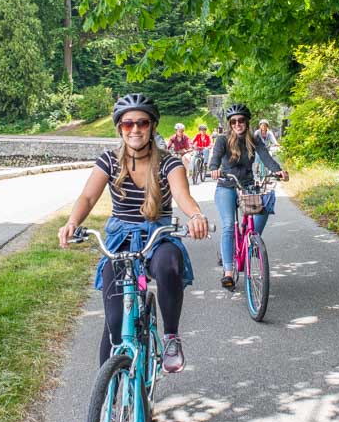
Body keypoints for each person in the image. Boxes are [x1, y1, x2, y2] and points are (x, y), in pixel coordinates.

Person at [58, 93, 210, 373]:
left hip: (158, 234)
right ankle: (108, 396)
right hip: (120, 238)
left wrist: (196, 216)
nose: (135, 129)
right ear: (120, 128)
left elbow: (182, 195)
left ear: (152, 126)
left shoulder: (169, 163)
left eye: (142, 122)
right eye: (128, 124)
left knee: (168, 265)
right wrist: (72, 222)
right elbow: (88, 198)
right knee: (114, 324)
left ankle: (171, 337)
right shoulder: (109, 161)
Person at [209, 103, 288, 290]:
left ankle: (252, 241)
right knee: (229, 225)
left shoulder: (253, 139)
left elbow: (266, 157)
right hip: (226, 186)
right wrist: (214, 169)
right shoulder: (222, 140)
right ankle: (228, 272)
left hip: (247, 186)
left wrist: (278, 171)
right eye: (234, 121)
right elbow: (215, 158)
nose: (238, 124)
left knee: (264, 206)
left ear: (247, 122)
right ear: (230, 124)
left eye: (241, 120)